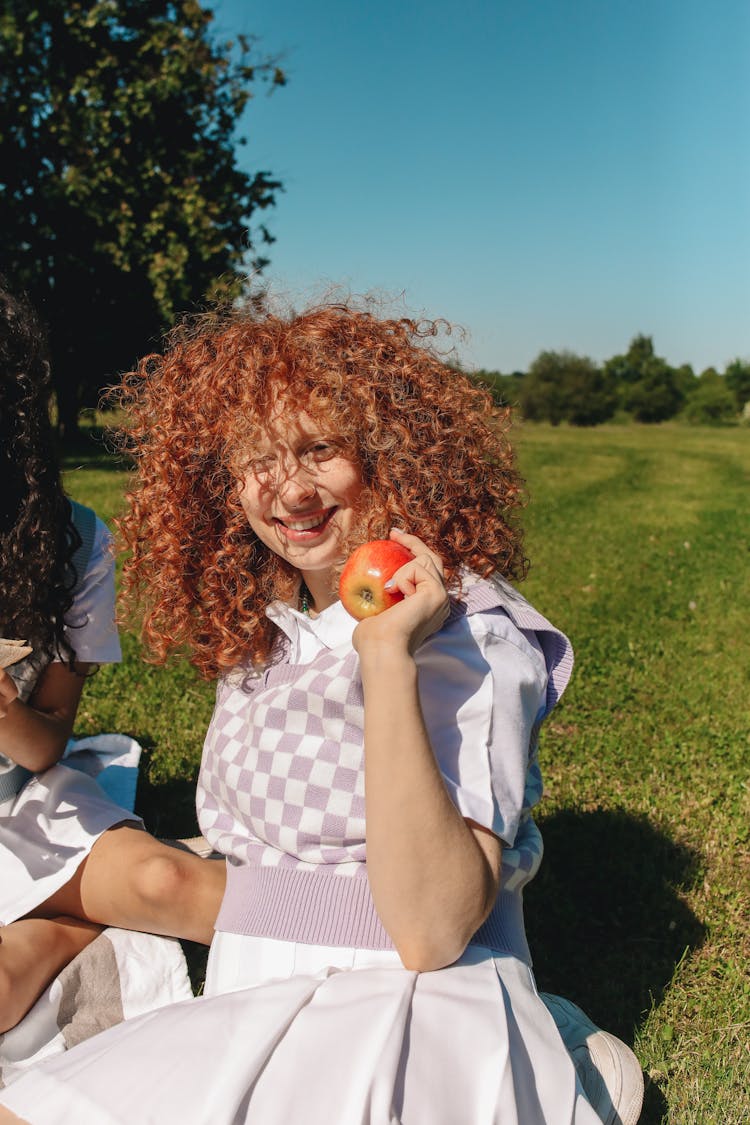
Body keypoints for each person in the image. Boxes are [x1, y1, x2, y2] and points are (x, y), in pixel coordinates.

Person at [0, 299, 643, 1124]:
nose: (290, 488)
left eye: (320, 449)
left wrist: (385, 655)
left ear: (388, 451)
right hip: (252, 999)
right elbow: (266, 860)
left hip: (395, 1006)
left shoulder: (471, 639)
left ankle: (545, 1045)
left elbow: (430, 929)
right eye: (257, 459)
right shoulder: (270, 635)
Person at [0, 280, 226, 1036]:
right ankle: (69, 925)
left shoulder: (73, 542)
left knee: (171, 878)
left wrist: (1, 704)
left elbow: (43, 745)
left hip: (19, 800)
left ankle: (447, 955)